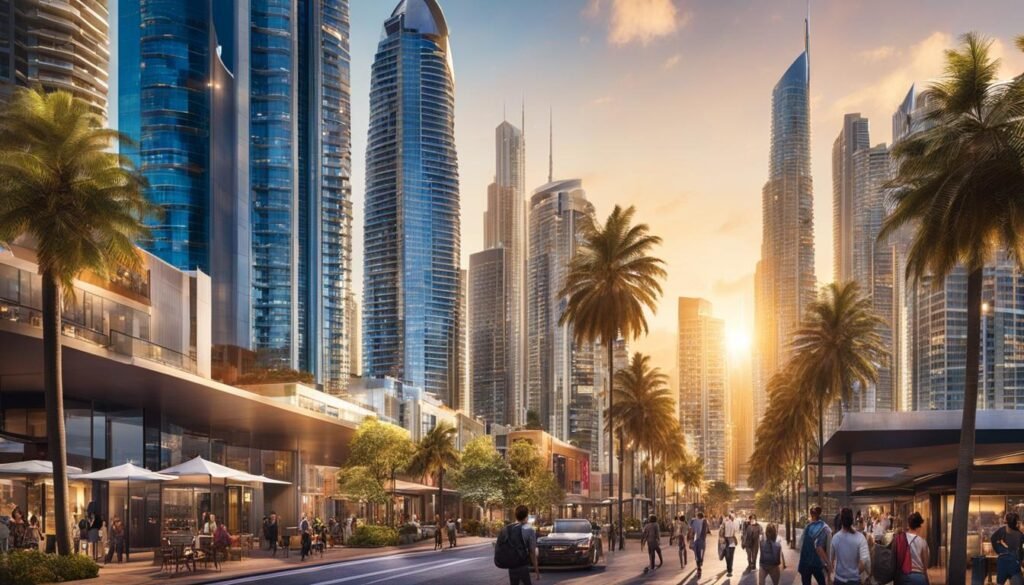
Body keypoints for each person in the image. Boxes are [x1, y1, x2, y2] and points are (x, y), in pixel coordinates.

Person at [502, 505, 540, 585]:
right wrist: (537, 571)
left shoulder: (508, 529)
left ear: (516, 516)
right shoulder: (530, 530)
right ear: (526, 516)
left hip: (511, 566)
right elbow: (532, 553)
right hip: (523, 565)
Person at [830, 508, 869, 585]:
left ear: (841, 520)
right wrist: (855, 573)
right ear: (852, 519)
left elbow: (831, 560)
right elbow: (864, 560)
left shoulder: (835, 538)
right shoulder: (860, 537)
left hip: (839, 580)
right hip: (854, 580)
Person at [798, 506, 832, 585]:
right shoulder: (826, 529)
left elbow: (800, 544)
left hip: (805, 562)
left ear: (811, 515)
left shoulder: (807, 528)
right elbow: (828, 549)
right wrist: (828, 564)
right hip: (818, 563)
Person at [904, 512, 931, 585]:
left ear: (908, 525)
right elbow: (925, 564)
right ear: (919, 526)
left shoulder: (901, 539)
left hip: (903, 577)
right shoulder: (922, 542)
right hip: (918, 577)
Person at [690, 511, 710, 576]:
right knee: (702, 553)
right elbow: (707, 530)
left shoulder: (694, 522)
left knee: (697, 554)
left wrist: (691, 540)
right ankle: (701, 562)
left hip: (696, 540)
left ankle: (699, 568)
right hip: (703, 540)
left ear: (697, 516)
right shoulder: (705, 522)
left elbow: (692, 532)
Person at [721, 512, 740, 577]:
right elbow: (721, 531)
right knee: (728, 556)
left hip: (732, 541)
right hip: (727, 541)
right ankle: (729, 569)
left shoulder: (735, 522)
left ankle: (729, 570)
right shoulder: (725, 521)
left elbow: (737, 531)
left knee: (730, 556)